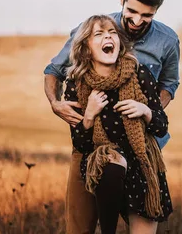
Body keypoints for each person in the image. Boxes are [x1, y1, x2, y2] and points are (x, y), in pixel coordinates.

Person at [43, 0, 180, 234]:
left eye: (147, 15)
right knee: (80, 226)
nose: (138, 21)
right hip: (91, 146)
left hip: (142, 149)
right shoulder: (96, 30)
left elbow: (169, 85)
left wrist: (145, 112)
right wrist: (55, 104)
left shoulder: (166, 41)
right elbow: (54, 71)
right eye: (132, 11)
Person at [65, 14, 172, 234]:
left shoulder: (139, 74)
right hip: (105, 166)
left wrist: (146, 111)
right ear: (86, 47)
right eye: (99, 33)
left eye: (112, 32)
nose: (108, 37)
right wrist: (89, 115)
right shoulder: (77, 84)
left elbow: (161, 126)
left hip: (142, 164)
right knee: (111, 162)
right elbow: (80, 143)